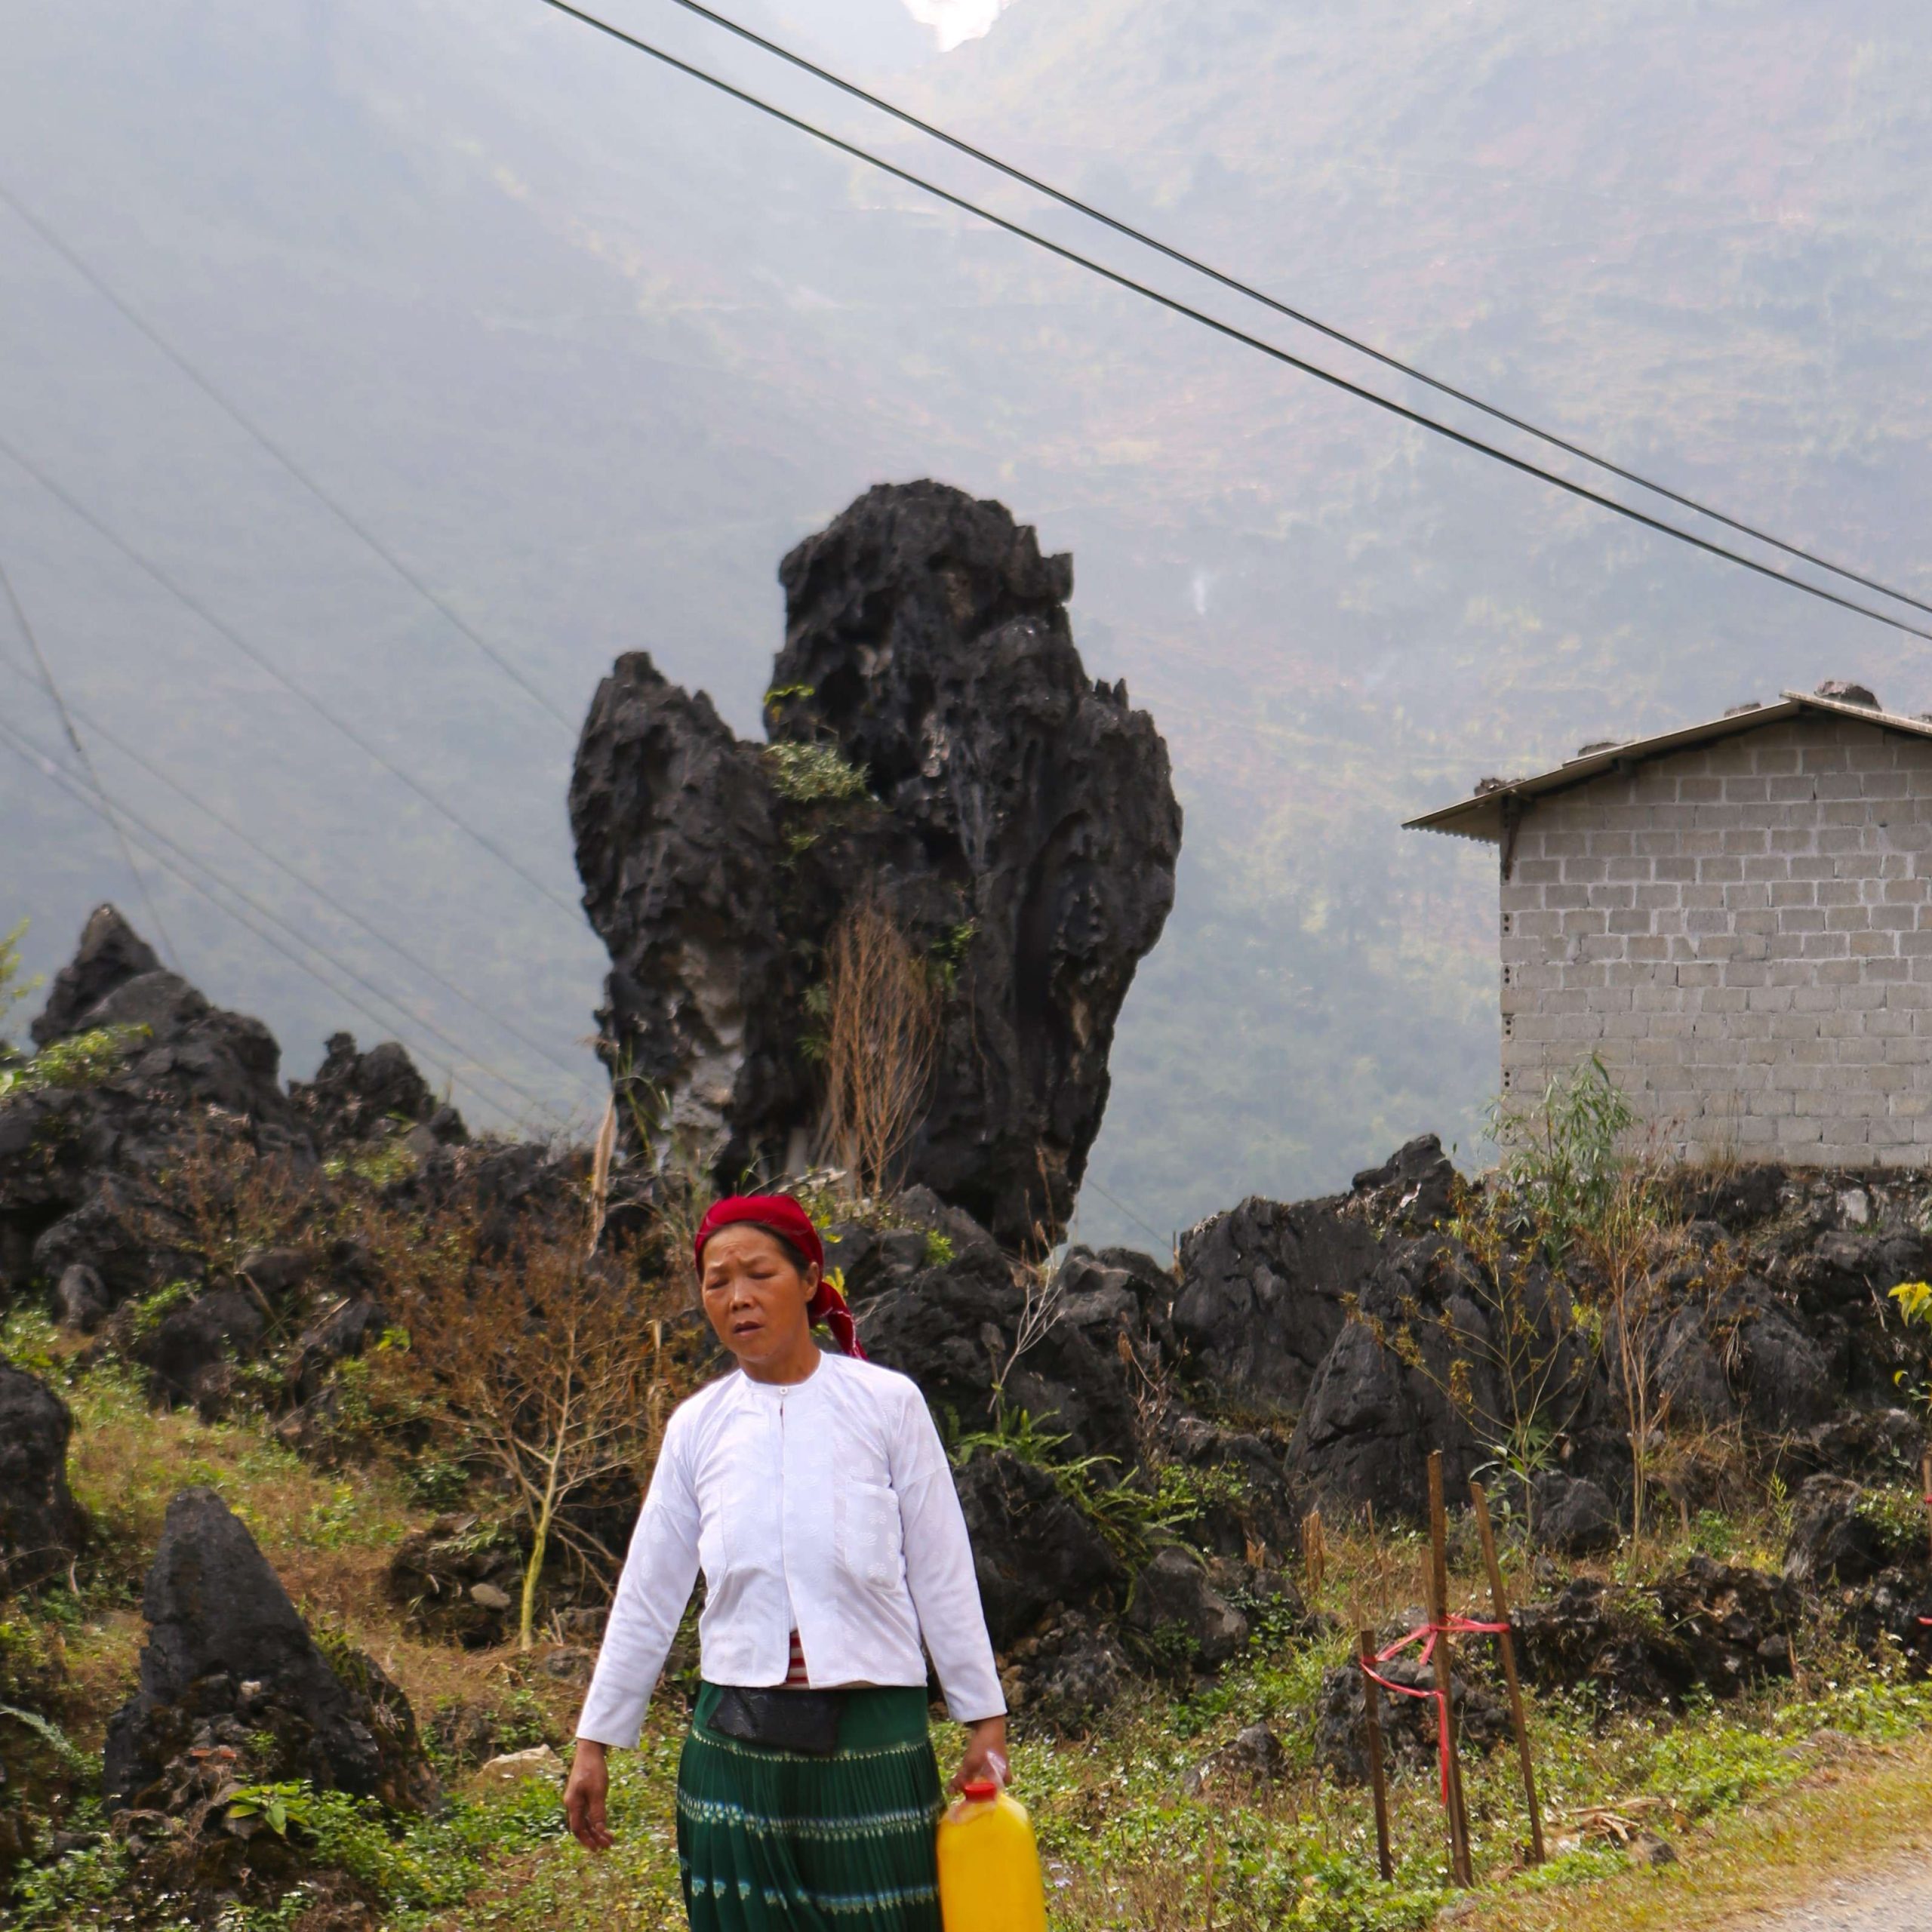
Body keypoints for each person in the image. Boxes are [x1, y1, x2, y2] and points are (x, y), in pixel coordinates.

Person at [565, 1192, 1008, 1930]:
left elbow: (941, 1568)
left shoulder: (886, 1404)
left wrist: (983, 1717)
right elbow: (648, 1592)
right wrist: (594, 1740)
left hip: (872, 1742)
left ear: (809, 1280)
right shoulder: (696, 1428)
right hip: (735, 1750)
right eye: (716, 1280)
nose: (737, 1296)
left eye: (758, 1273)